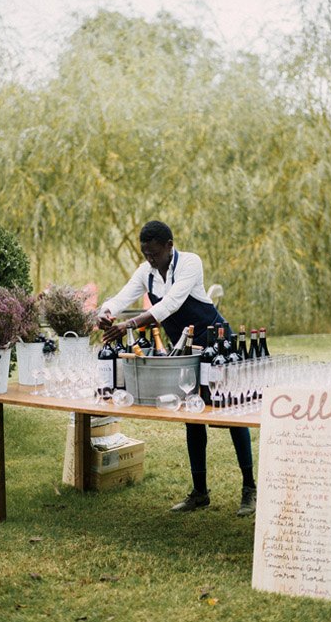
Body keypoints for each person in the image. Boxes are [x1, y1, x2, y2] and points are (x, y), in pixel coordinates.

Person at [97, 220, 256, 516]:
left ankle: (249, 488)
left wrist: (128, 325)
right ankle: (199, 492)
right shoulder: (146, 272)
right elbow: (120, 298)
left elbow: (169, 305)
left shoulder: (191, 263)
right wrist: (105, 313)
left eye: (154, 253)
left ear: (170, 245)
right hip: (184, 350)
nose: (150, 260)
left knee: (233, 414)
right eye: (145, 254)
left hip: (216, 343)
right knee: (192, 416)